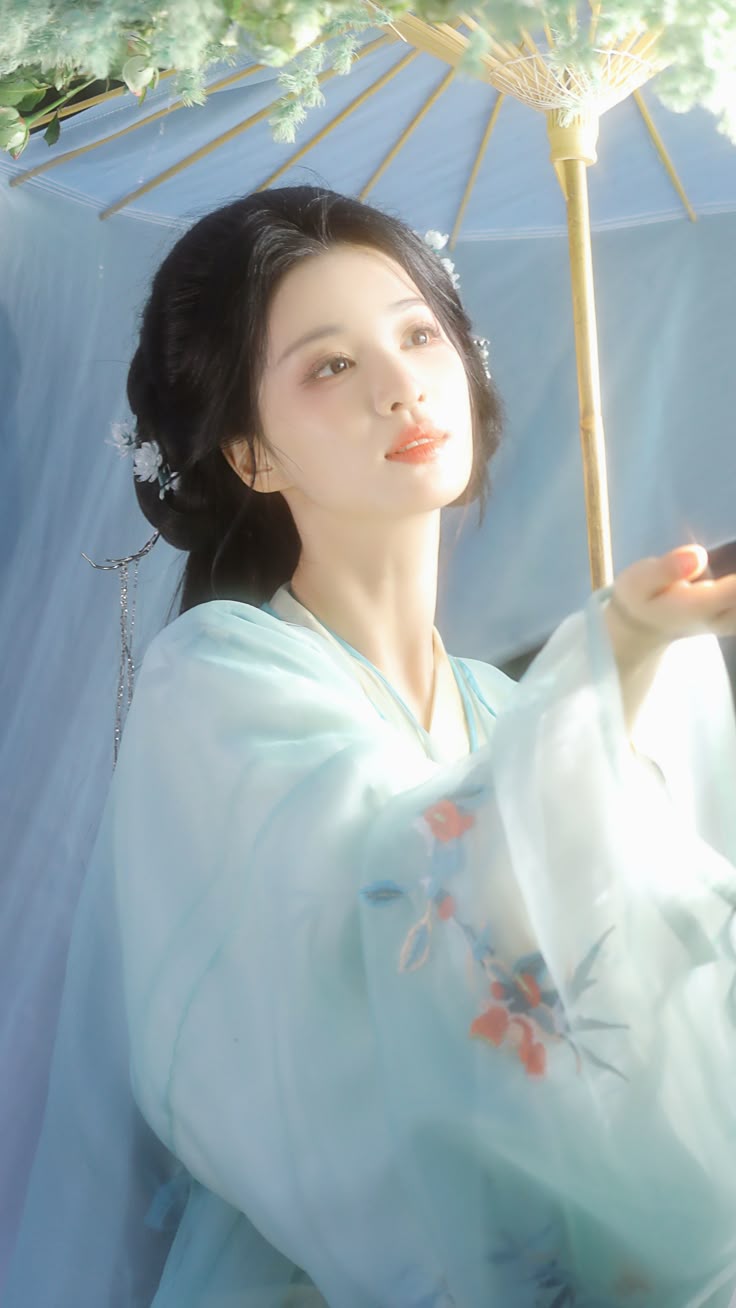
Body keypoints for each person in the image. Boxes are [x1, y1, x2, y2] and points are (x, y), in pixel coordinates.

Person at [4, 186, 736, 1308]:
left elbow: (617, 983)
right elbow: (390, 917)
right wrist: (613, 666)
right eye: (331, 365)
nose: (401, 385)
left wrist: (618, 686)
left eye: (418, 334)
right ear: (251, 454)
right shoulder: (217, 681)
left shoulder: (505, 711)